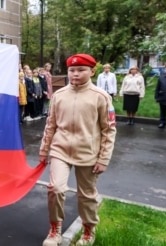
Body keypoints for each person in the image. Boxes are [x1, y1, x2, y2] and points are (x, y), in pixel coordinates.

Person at [39, 53, 117, 246]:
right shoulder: (59, 95)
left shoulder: (101, 97)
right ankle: (55, 229)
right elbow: (51, 125)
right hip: (60, 150)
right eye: (72, 70)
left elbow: (109, 129)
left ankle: (89, 230)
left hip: (88, 153)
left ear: (92, 71)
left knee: (87, 195)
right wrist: (44, 149)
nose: (75, 74)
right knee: (55, 189)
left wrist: (104, 158)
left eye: (81, 70)